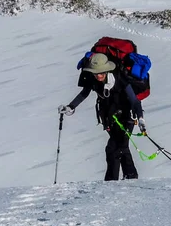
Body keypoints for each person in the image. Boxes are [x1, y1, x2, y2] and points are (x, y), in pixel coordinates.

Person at [58, 53, 147, 181]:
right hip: (109, 119)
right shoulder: (92, 79)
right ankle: (130, 177)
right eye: (96, 73)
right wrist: (70, 107)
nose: (98, 76)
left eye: (101, 73)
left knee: (114, 148)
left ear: (107, 70)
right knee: (121, 147)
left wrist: (141, 118)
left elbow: (134, 101)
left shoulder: (120, 78)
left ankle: (112, 181)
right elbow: (84, 93)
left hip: (126, 117)